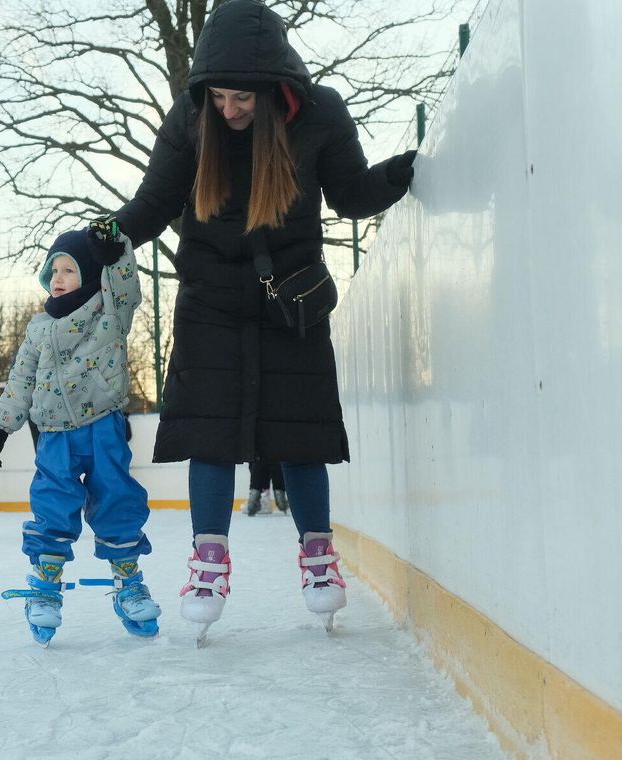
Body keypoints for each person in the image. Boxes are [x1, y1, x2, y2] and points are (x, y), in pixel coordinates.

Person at [103, 0, 418, 635]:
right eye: (218, 97)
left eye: (241, 99)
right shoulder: (192, 119)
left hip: (290, 301)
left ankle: (319, 557)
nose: (229, 110)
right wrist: (98, 239)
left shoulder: (319, 113)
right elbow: (153, 203)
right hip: (210, 303)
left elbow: (351, 193)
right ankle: (208, 560)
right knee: (209, 438)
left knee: (301, 436)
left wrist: (402, 171)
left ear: (275, 87)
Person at [0, 225, 161, 646]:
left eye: (70, 269)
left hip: (103, 427)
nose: (58, 278)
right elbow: (21, 378)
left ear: (91, 275)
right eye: (54, 270)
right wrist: (1, 428)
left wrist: (118, 254)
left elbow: (126, 288)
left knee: (117, 499)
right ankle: (45, 587)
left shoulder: (110, 314)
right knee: (53, 506)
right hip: (55, 435)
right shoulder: (38, 327)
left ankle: (128, 582)